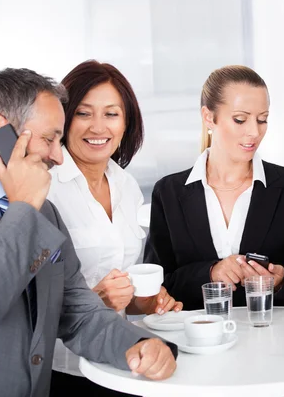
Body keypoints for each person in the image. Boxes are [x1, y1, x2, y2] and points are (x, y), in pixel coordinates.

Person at [0, 68, 177, 397]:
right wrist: (23, 207)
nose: (58, 155)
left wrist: (140, 345)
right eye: (49, 139)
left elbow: (78, 311)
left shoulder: (42, 210)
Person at [47, 60, 183, 396]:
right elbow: (26, 302)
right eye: (83, 113)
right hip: (64, 369)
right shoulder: (45, 186)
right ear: (63, 119)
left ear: (126, 122)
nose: (98, 127)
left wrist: (146, 302)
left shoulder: (127, 186)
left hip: (123, 361)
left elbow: (125, 295)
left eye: (111, 114)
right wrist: (94, 300)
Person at [145, 65, 284, 310]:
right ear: (209, 117)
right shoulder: (169, 193)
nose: (254, 132)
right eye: (240, 119)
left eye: (263, 120)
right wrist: (210, 273)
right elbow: (159, 286)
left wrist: (280, 281)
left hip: (271, 340)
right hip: (196, 341)